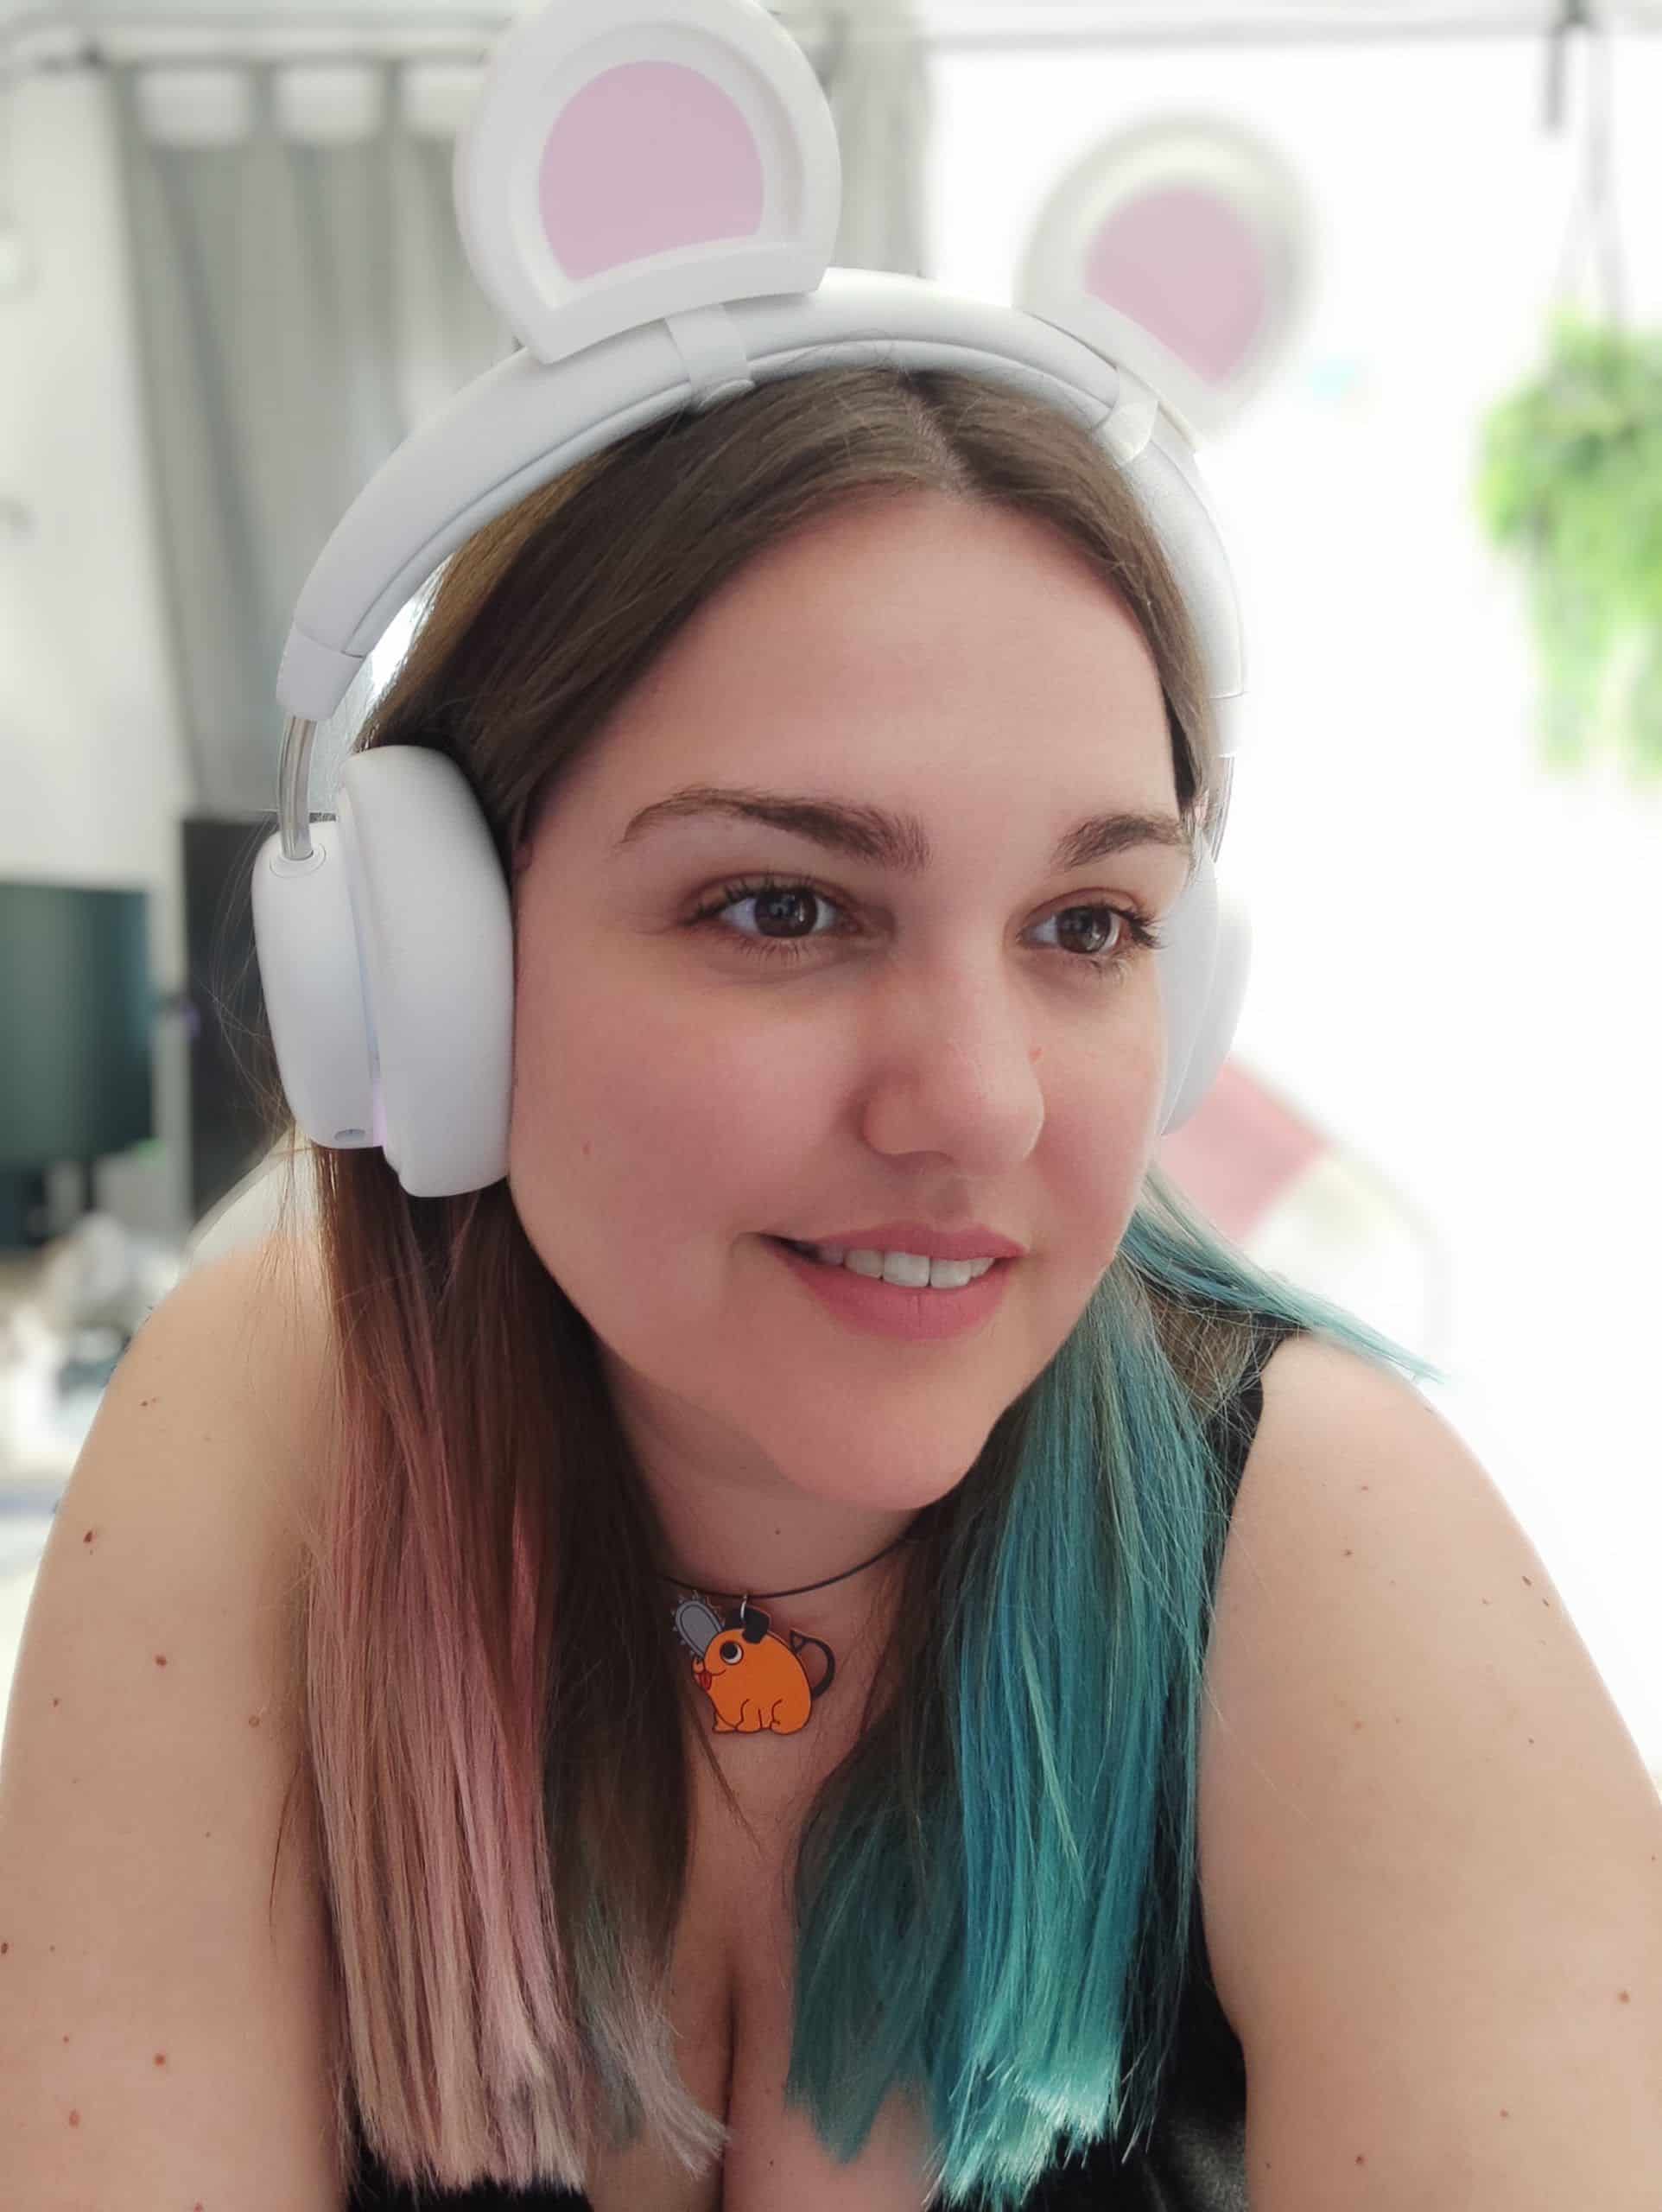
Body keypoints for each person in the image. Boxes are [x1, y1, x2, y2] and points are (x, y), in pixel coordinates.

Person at [232, 363, 1441, 2209]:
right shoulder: (272, 1417)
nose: (983, 1103)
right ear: (433, 973)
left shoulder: (1336, 1517)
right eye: (781, 905)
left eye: (1088, 925)